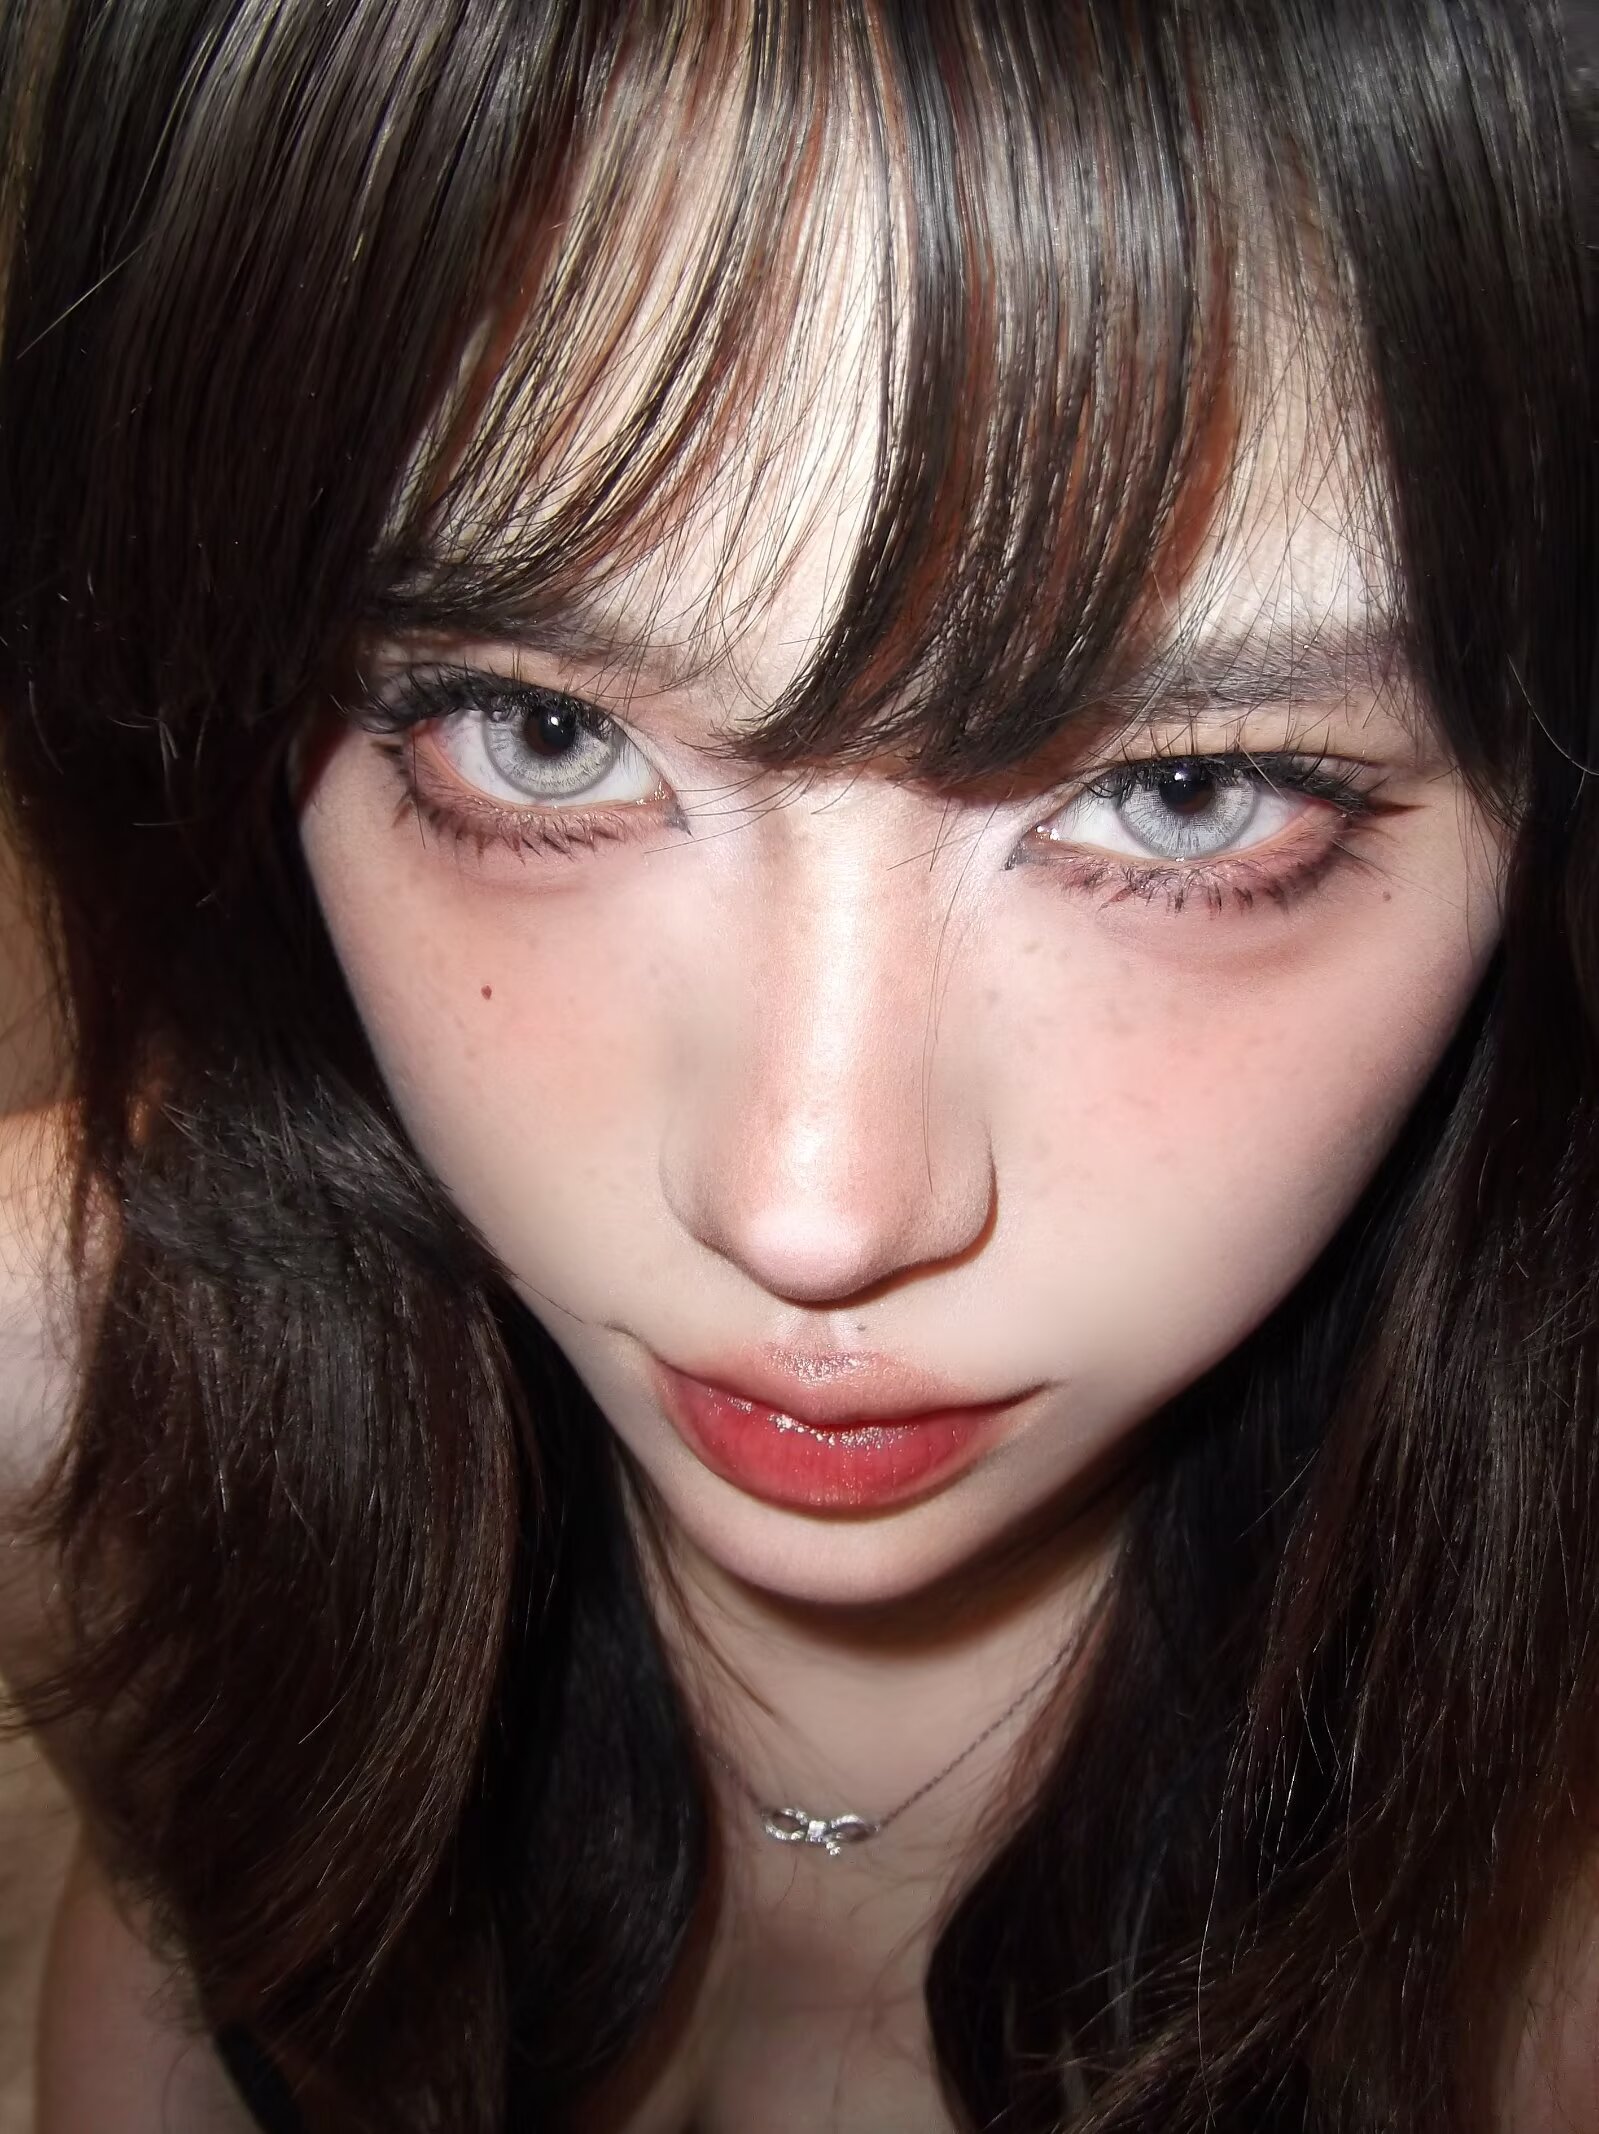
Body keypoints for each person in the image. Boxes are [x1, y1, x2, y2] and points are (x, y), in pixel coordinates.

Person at [0, 1, 1595, 2128]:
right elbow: (173, 1956)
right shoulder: (82, 1408)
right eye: (541, 730)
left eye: (1189, 791)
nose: (809, 1209)